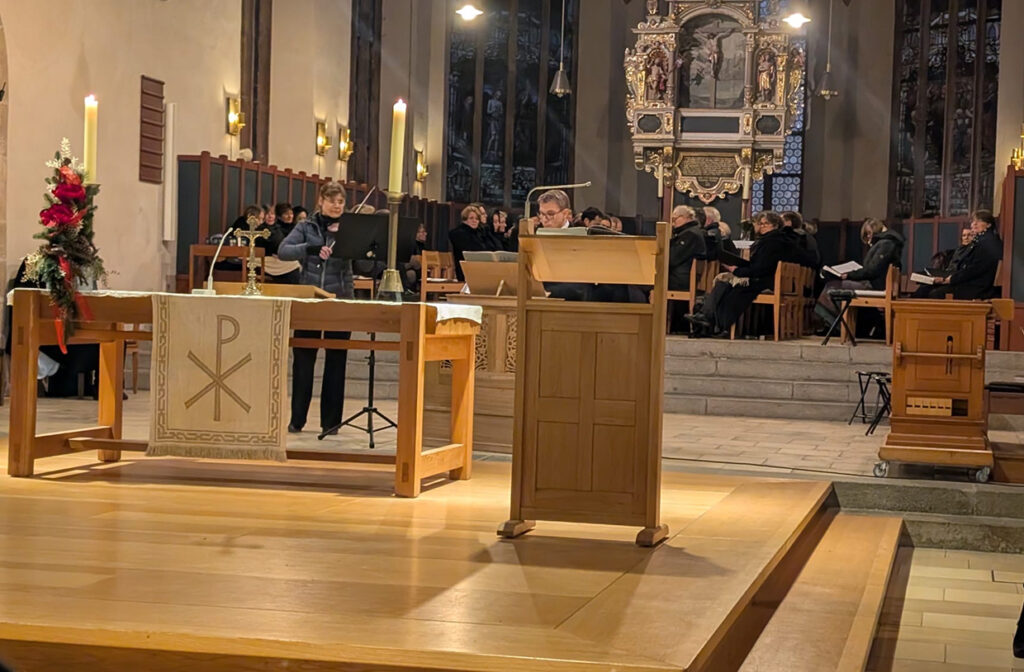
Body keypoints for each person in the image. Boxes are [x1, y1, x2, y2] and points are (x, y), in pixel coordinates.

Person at [277, 182, 354, 435]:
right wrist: (309, 249)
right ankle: (297, 419)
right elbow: (283, 250)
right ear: (321, 200)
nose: (336, 205)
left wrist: (356, 245)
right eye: (332, 200)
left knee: (336, 361)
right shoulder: (305, 226)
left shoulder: (348, 229)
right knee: (303, 361)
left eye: (341, 202)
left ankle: (331, 423)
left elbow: (366, 265)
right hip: (309, 300)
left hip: (339, 299)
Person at [685, 210, 789, 337]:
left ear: (776, 225)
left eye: (766, 224)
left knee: (728, 287)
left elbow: (762, 268)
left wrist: (737, 270)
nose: (762, 227)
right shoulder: (771, 240)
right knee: (723, 284)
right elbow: (758, 265)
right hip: (762, 277)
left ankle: (714, 322)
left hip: (763, 281)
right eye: (760, 224)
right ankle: (708, 319)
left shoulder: (773, 242)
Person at [814, 218, 904, 323]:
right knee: (835, 285)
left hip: (876, 286)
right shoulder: (885, 243)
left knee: (833, 286)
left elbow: (872, 271)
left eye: (869, 233)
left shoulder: (886, 244)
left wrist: (849, 275)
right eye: (867, 234)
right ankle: (835, 323)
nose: (868, 237)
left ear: (876, 229)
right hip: (876, 283)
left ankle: (831, 323)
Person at [913, 209, 1002, 299]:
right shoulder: (981, 241)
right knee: (924, 289)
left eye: (979, 221)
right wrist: (949, 278)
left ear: (989, 225)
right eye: (973, 221)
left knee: (935, 293)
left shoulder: (988, 242)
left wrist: (951, 279)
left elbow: (974, 269)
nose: (974, 224)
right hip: (968, 281)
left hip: (976, 286)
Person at [255, 203, 302, 284]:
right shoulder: (260, 229)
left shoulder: (277, 228)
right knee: (294, 267)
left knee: (295, 265)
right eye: (267, 214)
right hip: (265, 259)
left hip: (278, 258)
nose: (270, 216)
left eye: (272, 214)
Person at [448, 204, 496, 280]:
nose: (474, 221)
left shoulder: (480, 233)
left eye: (477, 219)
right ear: (465, 220)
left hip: (480, 268)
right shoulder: (458, 233)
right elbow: (473, 250)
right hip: (466, 270)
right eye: (471, 218)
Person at [668, 205, 706, 291]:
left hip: (680, 279)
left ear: (686, 217)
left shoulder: (690, 234)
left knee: (646, 282)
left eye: (674, 219)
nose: (673, 224)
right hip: (681, 276)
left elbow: (672, 258)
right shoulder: (690, 232)